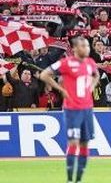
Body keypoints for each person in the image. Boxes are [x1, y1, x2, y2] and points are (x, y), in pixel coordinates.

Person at [39, 36, 99, 183]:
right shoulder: (65, 63)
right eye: (83, 46)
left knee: (85, 142)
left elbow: (96, 75)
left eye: (87, 46)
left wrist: (91, 86)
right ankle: (69, 179)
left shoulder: (90, 62)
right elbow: (44, 74)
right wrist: (60, 89)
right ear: (75, 49)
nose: (87, 49)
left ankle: (78, 179)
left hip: (87, 109)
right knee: (73, 142)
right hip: (72, 109)